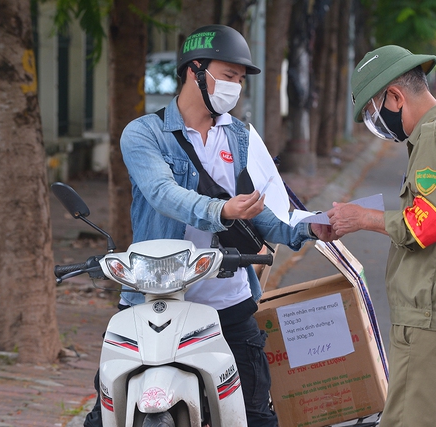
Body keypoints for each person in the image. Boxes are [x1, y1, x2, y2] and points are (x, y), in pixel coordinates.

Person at [83, 24, 336, 427]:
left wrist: (313, 226)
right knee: (104, 416)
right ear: (195, 70)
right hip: (152, 299)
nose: (235, 86)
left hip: (226, 301)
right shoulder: (144, 134)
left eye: (240, 79)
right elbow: (162, 193)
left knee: (257, 415)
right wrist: (223, 211)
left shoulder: (241, 137)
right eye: (229, 75)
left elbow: (263, 213)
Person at [326, 45, 436, 427]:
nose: (377, 122)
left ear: (395, 95)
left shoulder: (435, 136)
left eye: (374, 111)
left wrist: (361, 217)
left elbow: (427, 223)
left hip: (432, 321)